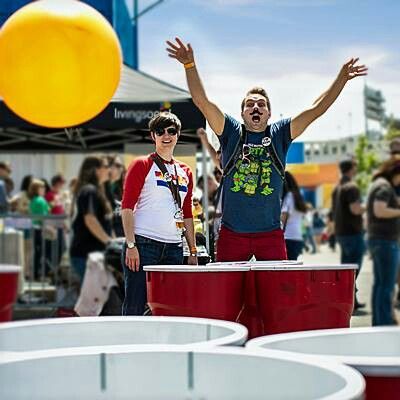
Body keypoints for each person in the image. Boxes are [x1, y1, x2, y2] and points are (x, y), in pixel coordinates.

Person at [166, 37, 367, 261]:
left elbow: (316, 109)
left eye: (261, 104)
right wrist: (189, 65)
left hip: (270, 236)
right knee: (231, 296)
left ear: (269, 113)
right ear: (242, 113)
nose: (255, 107)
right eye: (250, 104)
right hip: (232, 235)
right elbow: (202, 101)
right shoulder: (232, 131)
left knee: (275, 296)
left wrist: (341, 78)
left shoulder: (279, 133)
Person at [121, 112, 197, 316]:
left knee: (168, 307)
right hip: (144, 244)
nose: (166, 135)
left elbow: (187, 212)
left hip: (173, 247)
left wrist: (192, 250)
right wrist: (131, 245)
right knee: (135, 305)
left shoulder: (186, 171)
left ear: (178, 135)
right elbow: (127, 207)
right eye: (160, 131)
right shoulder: (142, 164)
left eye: (171, 131)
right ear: (152, 135)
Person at [366, 158, 400, 326]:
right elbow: (379, 210)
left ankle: (379, 322)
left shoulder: (378, 184)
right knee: (386, 286)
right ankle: (384, 323)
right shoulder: (385, 187)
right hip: (386, 241)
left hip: (378, 240)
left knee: (380, 285)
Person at [69, 156, 113, 282]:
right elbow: (90, 219)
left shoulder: (96, 191)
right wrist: (109, 242)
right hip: (86, 255)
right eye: (105, 167)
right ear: (96, 170)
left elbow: (104, 221)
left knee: (97, 299)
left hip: (93, 255)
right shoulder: (89, 190)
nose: (108, 170)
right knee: (96, 299)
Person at [331, 158, 365, 309]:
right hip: (352, 232)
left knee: (347, 268)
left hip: (341, 232)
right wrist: (369, 206)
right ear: (351, 169)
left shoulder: (337, 187)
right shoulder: (351, 187)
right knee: (353, 268)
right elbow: (355, 209)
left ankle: (350, 300)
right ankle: (346, 298)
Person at [281, 171, 306, 260]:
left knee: (286, 268)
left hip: (288, 237)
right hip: (297, 237)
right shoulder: (298, 196)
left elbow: (283, 219)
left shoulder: (289, 196)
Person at [28, 179, 50, 279]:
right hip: (41, 229)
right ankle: (43, 273)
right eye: (42, 187)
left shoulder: (32, 200)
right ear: (37, 189)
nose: (44, 189)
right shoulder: (41, 200)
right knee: (44, 252)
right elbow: (43, 216)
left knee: (37, 252)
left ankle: (35, 273)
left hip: (33, 228)